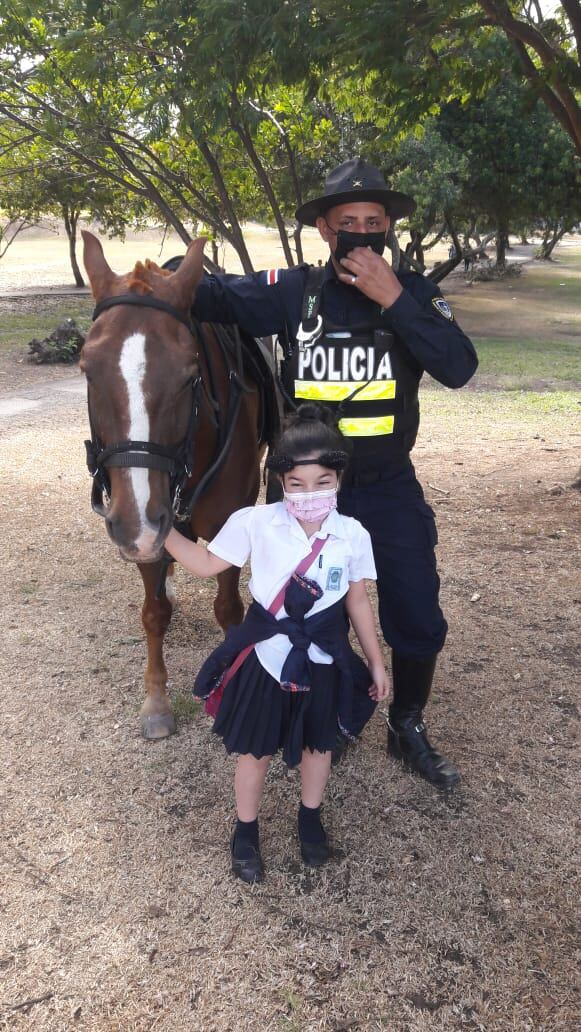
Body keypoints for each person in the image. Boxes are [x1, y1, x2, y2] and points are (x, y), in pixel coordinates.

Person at [165, 156, 478, 790]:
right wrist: (169, 275)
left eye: (373, 222)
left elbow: (459, 366)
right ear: (326, 232)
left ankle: (406, 724)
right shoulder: (294, 291)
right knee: (303, 610)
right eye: (347, 224)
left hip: (386, 484)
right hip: (304, 494)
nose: (361, 234)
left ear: (388, 228)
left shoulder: (415, 293)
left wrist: (392, 298)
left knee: (416, 608)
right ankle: (314, 710)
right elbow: (217, 296)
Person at [164, 404, 390, 883]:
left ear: (339, 480)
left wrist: (375, 661)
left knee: (318, 747)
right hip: (265, 659)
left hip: (323, 662)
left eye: (323, 482)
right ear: (281, 482)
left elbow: (358, 603)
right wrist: (158, 528)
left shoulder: (352, 535)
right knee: (254, 750)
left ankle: (310, 818)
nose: (310, 494)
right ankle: (245, 829)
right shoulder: (256, 522)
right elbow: (206, 565)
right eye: (297, 484)